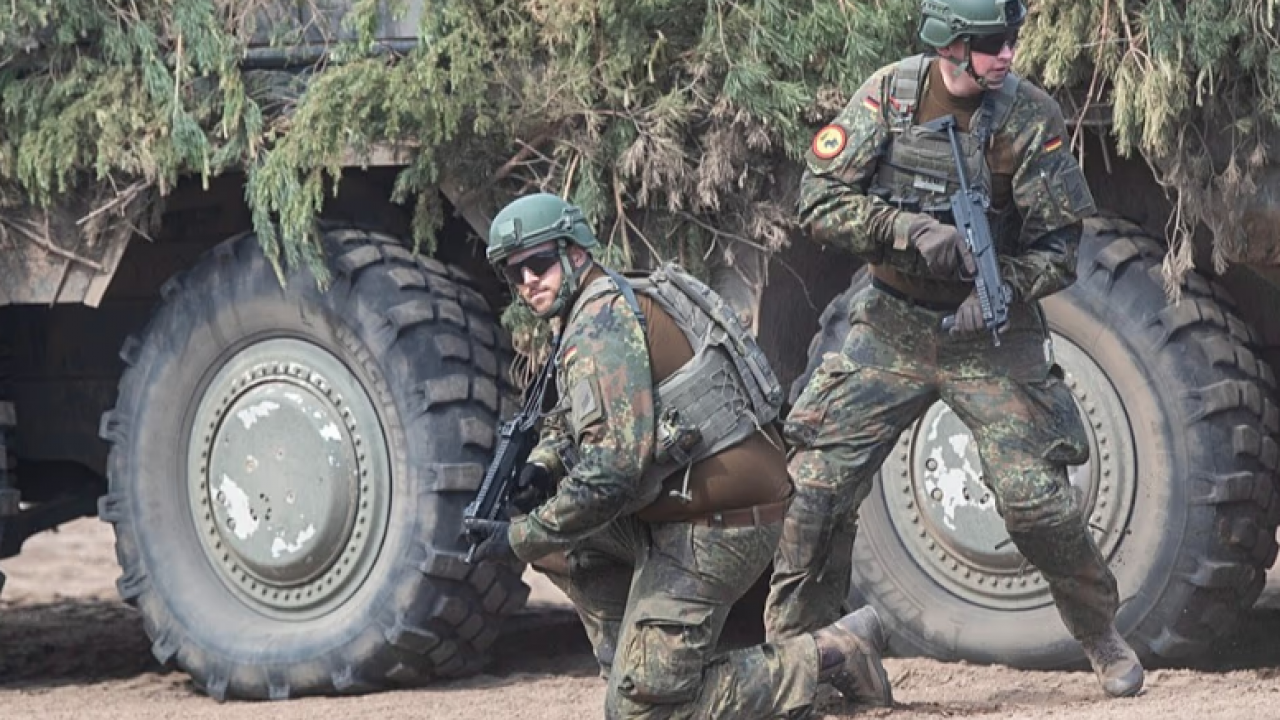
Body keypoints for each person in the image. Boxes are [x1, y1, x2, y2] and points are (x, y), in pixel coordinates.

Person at [765, 0, 1144, 700]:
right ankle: (797, 658)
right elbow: (817, 200)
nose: (1008, 55)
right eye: (993, 43)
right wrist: (906, 232)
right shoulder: (890, 96)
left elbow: (1061, 248)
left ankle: (1100, 633)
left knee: (1037, 505)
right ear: (952, 46)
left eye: (1014, 39)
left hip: (993, 340)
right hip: (891, 325)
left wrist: (1001, 288)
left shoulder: (1030, 116)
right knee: (813, 489)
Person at [465, 192, 893, 719]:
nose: (528, 280)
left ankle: (829, 655)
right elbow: (579, 424)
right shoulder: (598, 306)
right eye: (515, 273)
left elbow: (611, 475)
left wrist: (517, 537)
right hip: (680, 506)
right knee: (561, 543)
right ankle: (641, 666)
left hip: (716, 523)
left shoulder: (600, 326)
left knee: (642, 714)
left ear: (575, 251)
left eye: (538, 262)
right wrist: (544, 465)